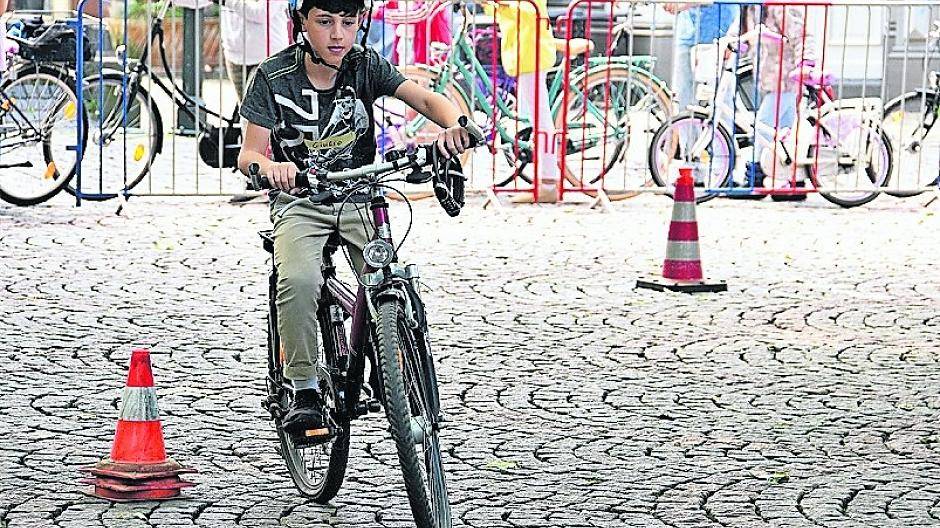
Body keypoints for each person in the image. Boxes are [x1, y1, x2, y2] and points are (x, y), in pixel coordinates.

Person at [237, 0, 471, 439]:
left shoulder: (365, 66)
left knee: (387, 276)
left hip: (360, 195)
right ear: (301, 23)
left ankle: (393, 359)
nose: (338, 34)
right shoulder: (272, 76)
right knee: (301, 280)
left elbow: (421, 97)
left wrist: (457, 124)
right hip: (300, 201)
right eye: (325, 22)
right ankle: (303, 386)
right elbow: (248, 153)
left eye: (348, 22)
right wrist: (271, 169)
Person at [732, 5, 816, 201]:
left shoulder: (780, 7)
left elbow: (801, 35)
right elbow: (741, 35)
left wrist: (805, 62)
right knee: (784, 135)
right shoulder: (751, 9)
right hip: (768, 79)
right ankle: (791, 181)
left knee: (763, 126)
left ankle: (754, 178)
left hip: (785, 78)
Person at [485, 0, 560, 203]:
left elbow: (530, 10)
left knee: (541, 121)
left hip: (530, 52)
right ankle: (545, 181)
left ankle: (548, 183)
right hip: (523, 52)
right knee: (538, 120)